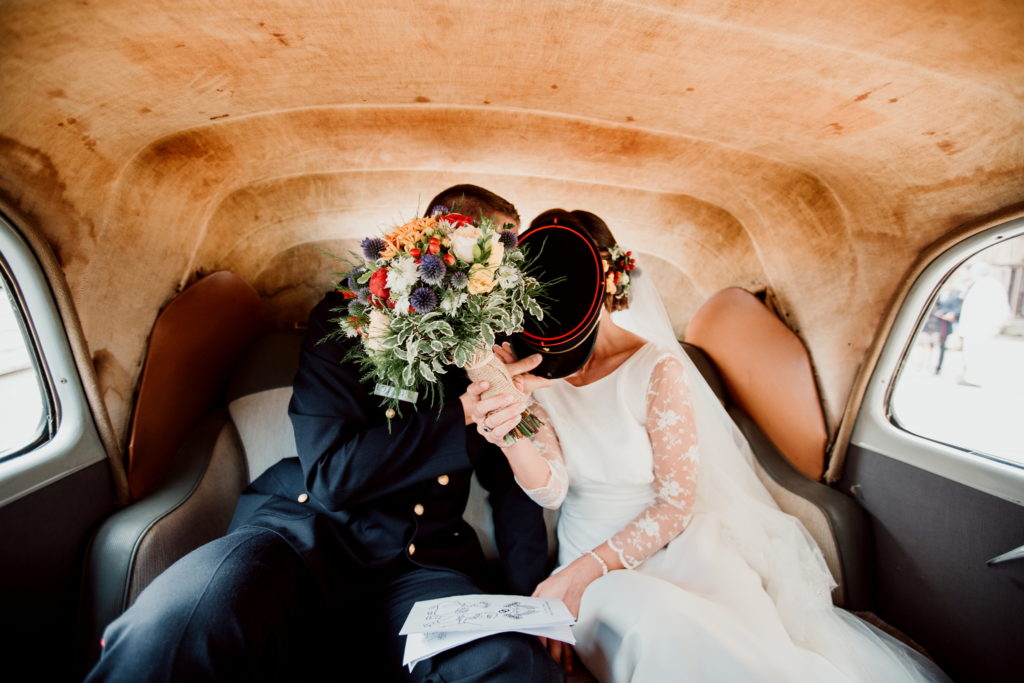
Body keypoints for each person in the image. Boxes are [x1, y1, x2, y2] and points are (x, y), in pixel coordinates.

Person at [86, 186, 562, 683]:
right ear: (440, 246)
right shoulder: (347, 320)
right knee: (177, 624)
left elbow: (513, 487)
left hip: (420, 565)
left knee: (513, 666)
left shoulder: (493, 352)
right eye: (495, 251)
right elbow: (332, 475)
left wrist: (530, 600)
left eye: (510, 258)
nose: (504, 271)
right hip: (301, 537)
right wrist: (457, 415)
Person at [472, 208, 951, 682]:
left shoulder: (656, 368)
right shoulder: (533, 369)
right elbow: (550, 492)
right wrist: (510, 428)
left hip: (673, 547)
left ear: (602, 282)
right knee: (652, 623)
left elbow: (676, 503)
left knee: (744, 651)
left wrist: (575, 576)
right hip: (589, 563)